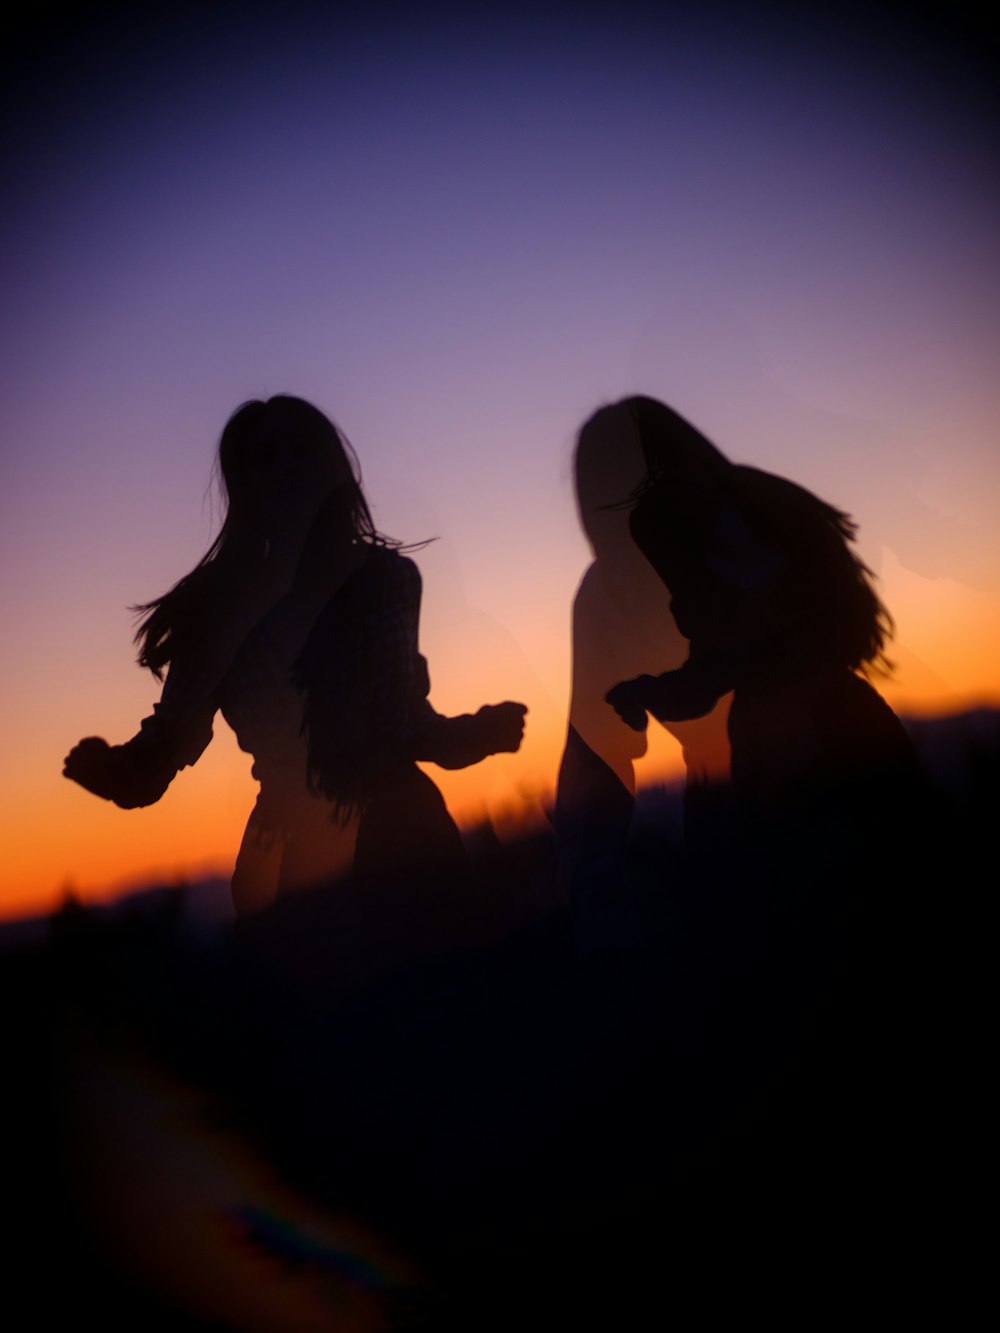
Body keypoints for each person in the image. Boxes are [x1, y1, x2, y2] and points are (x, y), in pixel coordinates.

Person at [64, 396, 527, 915]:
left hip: (400, 840)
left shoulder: (383, 579)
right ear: (245, 482)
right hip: (297, 857)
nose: (285, 467)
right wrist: (110, 772)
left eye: (299, 451)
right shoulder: (218, 610)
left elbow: (402, 721)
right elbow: (162, 753)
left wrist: (474, 734)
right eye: (266, 457)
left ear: (329, 465)